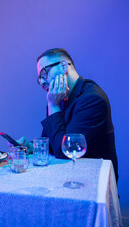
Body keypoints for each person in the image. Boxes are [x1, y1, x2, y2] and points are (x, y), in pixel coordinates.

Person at [18, 48, 119, 182]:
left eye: (44, 73)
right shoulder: (60, 96)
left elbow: (64, 151)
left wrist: (53, 105)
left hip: (93, 182)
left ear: (64, 66)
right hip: (69, 175)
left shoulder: (92, 98)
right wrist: (31, 147)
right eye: (39, 79)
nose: (42, 82)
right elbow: (55, 141)